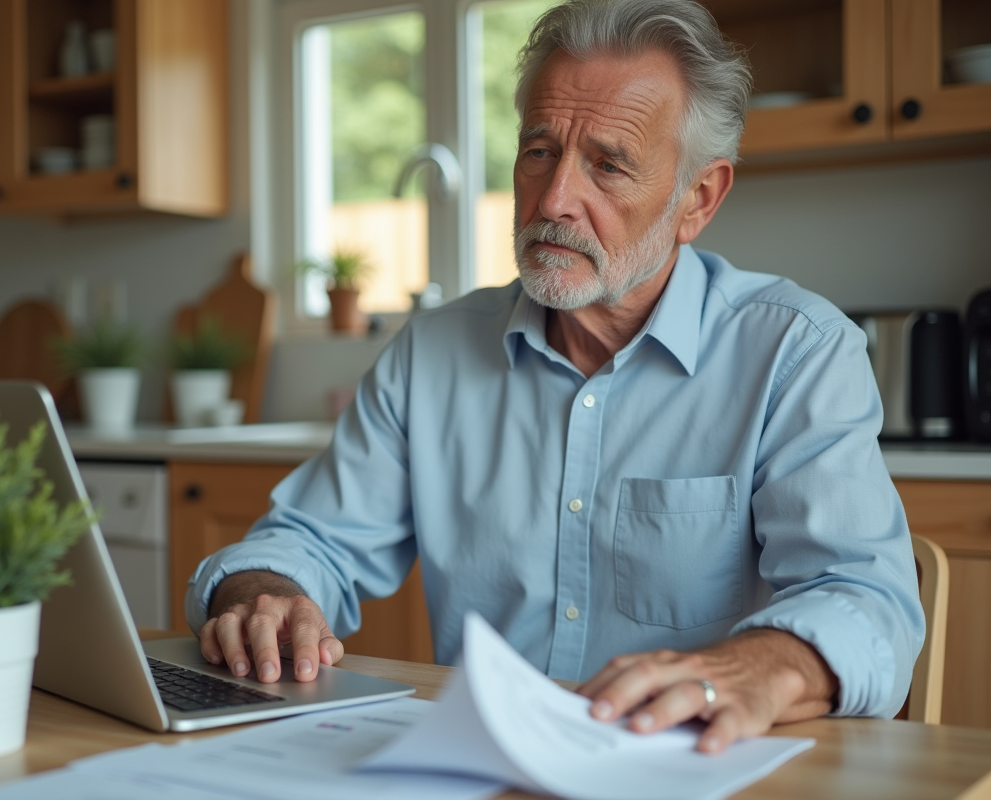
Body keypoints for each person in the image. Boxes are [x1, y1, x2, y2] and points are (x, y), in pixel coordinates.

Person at [186, 0, 924, 754]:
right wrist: (262, 596)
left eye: (609, 164)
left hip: (698, 765)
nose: (555, 199)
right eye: (539, 151)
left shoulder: (795, 352)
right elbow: (309, 540)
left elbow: (868, 601)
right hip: (479, 765)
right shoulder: (431, 353)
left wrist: (755, 668)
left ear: (697, 199)